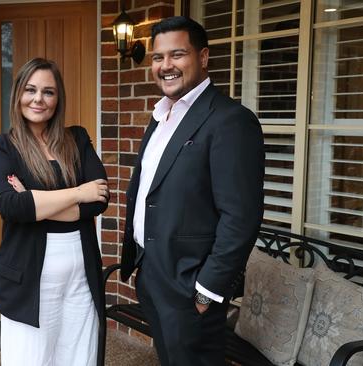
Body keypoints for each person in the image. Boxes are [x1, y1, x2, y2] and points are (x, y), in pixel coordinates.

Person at [119, 16, 265, 365]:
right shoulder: (160, 116)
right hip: (152, 275)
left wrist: (206, 291)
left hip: (190, 287)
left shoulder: (230, 121)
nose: (165, 65)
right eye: (157, 57)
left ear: (202, 58)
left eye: (177, 54)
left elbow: (240, 217)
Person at [0, 57, 109, 366]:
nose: (39, 99)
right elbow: (11, 206)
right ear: (18, 95)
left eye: (48, 92)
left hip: (81, 276)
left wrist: (37, 203)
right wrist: (78, 192)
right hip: (29, 277)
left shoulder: (77, 139)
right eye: (31, 90)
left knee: (79, 357)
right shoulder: (4, 147)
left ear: (58, 98)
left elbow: (99, 200)